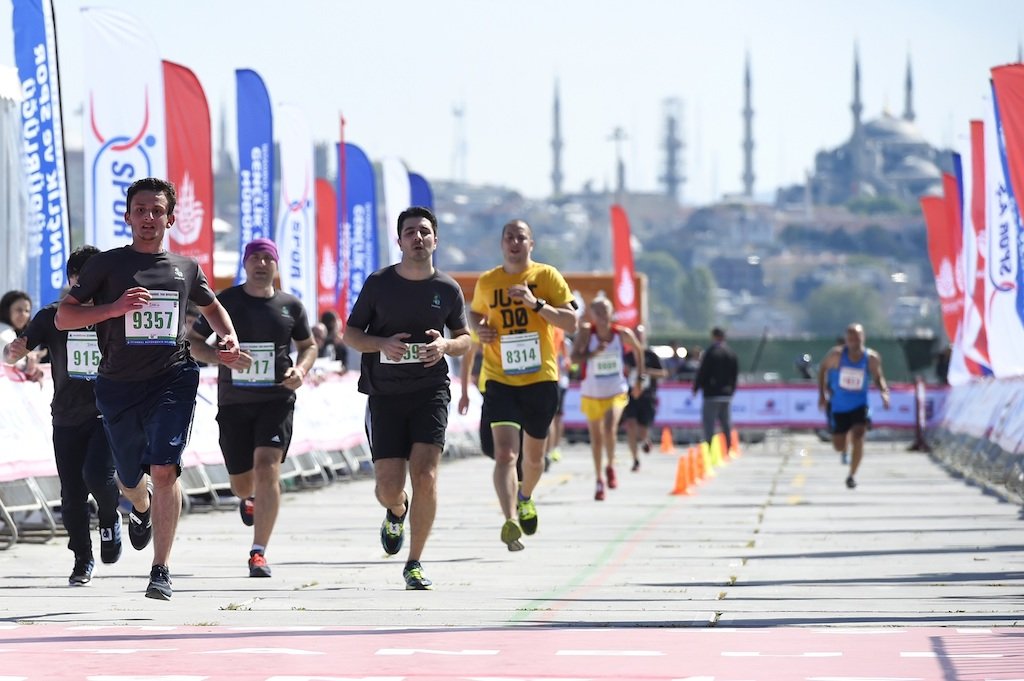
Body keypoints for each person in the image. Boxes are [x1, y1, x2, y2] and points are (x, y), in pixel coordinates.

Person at [56, 177, 240, 600]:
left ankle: (161, 569)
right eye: (141, 210)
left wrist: (228, 338)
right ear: (128, 216)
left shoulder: (185, 267)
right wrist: (115, 308)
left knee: (164, 467)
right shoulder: (106, 265)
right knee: (128, 476)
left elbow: (214, 309)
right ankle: (139, 507)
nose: (149, 218)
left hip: (172, 377)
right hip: (118, 384)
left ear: (171, 218)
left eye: (157, 211)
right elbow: (65, 317)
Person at [343, 206, 471, 590]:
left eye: (425, 231)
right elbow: (351, 334)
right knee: (387, 485)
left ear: (436, 239)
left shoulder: (447, 289)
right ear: (399, 241)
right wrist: (381, 343)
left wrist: (446, 345)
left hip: (430, 392)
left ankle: (415, 561)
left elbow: (465, 339)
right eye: (411, 232)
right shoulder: (380, 284)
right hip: (385, 394)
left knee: (426, 474)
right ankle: (396, 511)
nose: (418, 238)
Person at [187, 238, 317, 578]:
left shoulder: (291, 306)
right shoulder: (226, 302)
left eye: (267, 259)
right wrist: (221, 357)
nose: (261, 264)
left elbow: (309, 346)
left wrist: (301, 370)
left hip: (276, 399)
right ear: (245, 264)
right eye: (255, 258)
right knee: (243, 484)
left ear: (276, 265)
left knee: (267, 465)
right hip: (235, 403)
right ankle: (248, 499)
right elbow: (195, 342)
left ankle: (259, 552)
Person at [3, 247, 122, 586]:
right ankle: (82, 558)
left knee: (98, 475)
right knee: (71, 494)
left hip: (106, 413)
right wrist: (12, 353)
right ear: (71, 280)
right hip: (67, 416)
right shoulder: (52, 316)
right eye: (81, 279)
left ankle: (111, 519)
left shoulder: (114, 313)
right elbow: (17, 351)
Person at [470, 219, 578, 550]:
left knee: (533, 460)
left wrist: (536, 304)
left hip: (539, 379)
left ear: (531, 244)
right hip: (499, 378)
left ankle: (526, 496)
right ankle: (509, 521)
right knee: (504, 454)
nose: (515, 243)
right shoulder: (488, 281)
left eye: (521, 238)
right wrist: (479, 330)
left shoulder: (546, 277)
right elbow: (473, 314)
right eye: (509, 238)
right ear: (502, 244)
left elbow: (572, 322)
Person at [570, 297, 642, 500]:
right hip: (592, 392)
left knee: (610, 427)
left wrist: (640, 379)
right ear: (592, 314)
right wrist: (593, 354)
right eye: (598, 312)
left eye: (605, 311)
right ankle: (599, 479)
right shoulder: (586, 333)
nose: (602, 316)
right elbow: (574, 358)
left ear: (612, 313)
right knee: (597, 439)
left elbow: (639, 350)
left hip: (616, 391)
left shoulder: (621, 334)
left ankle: (610, 465)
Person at [817, 323, 890, 489]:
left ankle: (852, 475)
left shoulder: (871, 358)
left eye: (857, 338)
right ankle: (845, 446)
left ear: (863, 338)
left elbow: (879, 377)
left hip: (860, 404)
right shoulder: (836, 355)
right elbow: (822, 369)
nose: (854, 342)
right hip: (839, 407)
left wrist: (884, 392)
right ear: (846, 340)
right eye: (850, 338)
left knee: (859, 434)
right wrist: (822, 394)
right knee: (839, 446)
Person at [622, 324, 668, 472]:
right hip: (630, 395)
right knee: (630, 425)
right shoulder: (628, 357)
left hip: (647, 395)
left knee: (642, 429)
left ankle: (645, 440)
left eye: (640, 336)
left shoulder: (651, 355)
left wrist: (647, 372)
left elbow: (663, 373)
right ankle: (635, 459)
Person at [692, 328, 739, 451]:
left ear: (714, 336)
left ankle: (709, 447)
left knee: (709, 422)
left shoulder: (711, 353)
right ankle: (728, 447)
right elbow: (735, 374)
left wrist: (696, 387)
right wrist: (732, 390)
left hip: (712, 393)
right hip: (727, 394)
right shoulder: (731, 353)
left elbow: (703, 372)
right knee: (726, 422)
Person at [1, 290, 43, 381]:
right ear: (6, 310)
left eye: (27, 311)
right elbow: (13, 361)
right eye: (19, 310)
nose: (23, 315)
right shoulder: (4, 332)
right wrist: (28, 362)